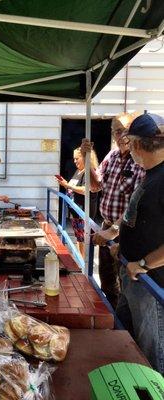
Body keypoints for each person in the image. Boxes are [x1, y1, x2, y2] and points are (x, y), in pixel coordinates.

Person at [114, 113, 164, 373]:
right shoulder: (150, 174)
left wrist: (143, 263)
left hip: (150, 281)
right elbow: (140, 218)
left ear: (137, 144)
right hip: (132, 274)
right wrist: (120, 242)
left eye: (130, 142)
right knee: (124, 335)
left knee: (151, 351)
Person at [82, 113, 145, 308]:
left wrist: (115, 230)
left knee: (126, 286)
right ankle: (110, 318)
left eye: (124, 131)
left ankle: (122, 328)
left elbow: (138, 204)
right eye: (116, 131)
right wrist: (87, 160)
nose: (121, 136)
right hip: (107, 227)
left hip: (125, 232)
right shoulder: (112, 155)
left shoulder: (141, 160)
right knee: (107, 281)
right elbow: (96, 185)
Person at [55, 146, 99, 259]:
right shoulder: (79, 171)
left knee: (84, 239)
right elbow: (73, 186)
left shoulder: (89, 172)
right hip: (76, 212)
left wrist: (67, 185)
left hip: (83, 212)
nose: (74, 161)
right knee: (79, 238)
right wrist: (65, 183)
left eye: (77, 158)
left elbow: (86, 190)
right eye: (74, 159)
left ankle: (84, 264)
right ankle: (81, 261)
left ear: (85, 158)